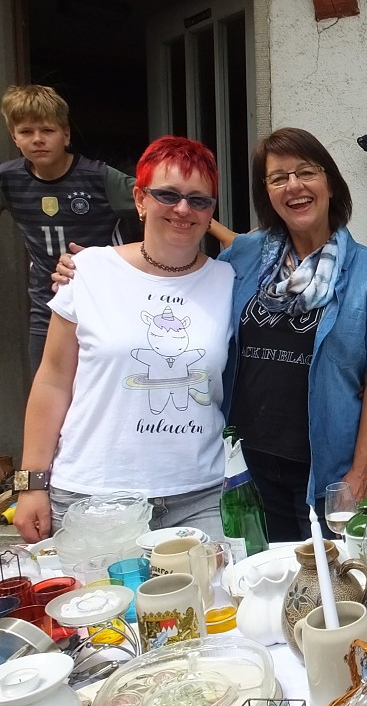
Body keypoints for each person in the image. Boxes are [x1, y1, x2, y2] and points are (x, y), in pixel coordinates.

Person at [14, 136, 235, 542]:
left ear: (211, 211)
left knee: (210, 604)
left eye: (199, 200)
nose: (184, 209)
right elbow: (53, 379)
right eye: (168, 194)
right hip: (96, 494)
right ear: (140, 198)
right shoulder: (89, 270)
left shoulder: (228, 279)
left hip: (199, 494)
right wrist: (31, 483)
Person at [218, 127, 367, 541]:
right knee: (262, 585)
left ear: (329, 183)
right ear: (266, 192)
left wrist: (360, 475)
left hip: (325, 470)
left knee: (326, 590)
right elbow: (182, 282)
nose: (294, 186)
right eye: (277, 177)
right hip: (245, 464)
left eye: (306, 172)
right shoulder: (245, 257)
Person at [1, 84, 139, 377]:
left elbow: (163, 206)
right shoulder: (8, 180)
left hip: (104, 306)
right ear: (14, 137)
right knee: (49, 398)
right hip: (46, 309)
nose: (37, 139)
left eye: (47, 130)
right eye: (26, 132)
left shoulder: (100, 177)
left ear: (66, 134)